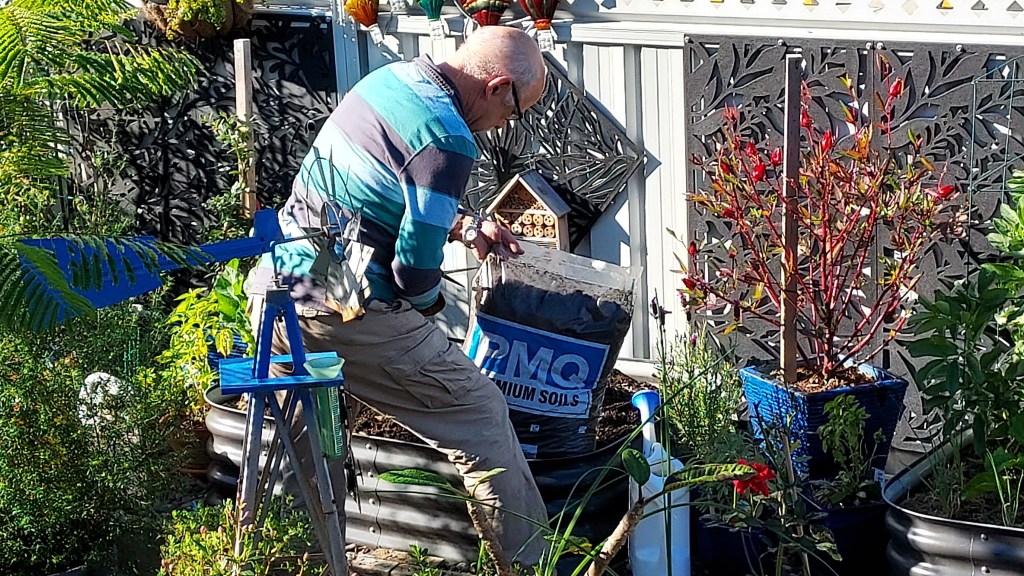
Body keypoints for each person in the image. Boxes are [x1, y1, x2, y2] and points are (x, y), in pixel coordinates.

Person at [244, 25, 550, 573]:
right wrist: (434, 310)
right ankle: (531, 567)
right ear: (499, 86)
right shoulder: (449, 139)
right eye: (515, 110)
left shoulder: (391, 81)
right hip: (339, 306)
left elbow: (383, 189)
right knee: (479, 411)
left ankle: (289, 562)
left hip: (279, 288)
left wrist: (464, 225)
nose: (506, 124)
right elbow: (413, 274)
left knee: (304, 440)